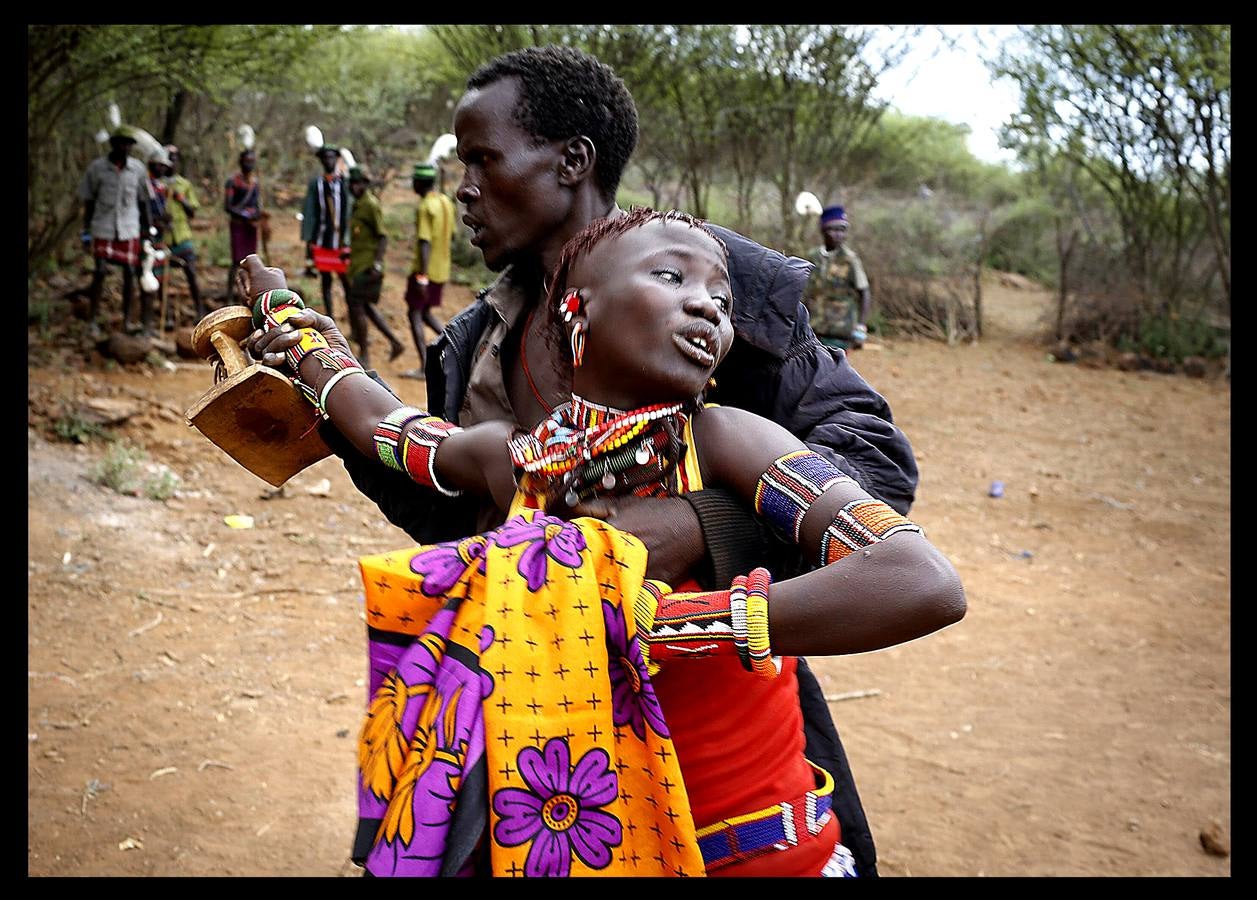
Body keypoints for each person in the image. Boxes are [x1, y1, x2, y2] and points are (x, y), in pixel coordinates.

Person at [244, 45, 919, 877]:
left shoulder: (701, 293)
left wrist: (696, 529)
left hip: (726, 773)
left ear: (570, 162)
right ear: (579, 313)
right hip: (549, 761)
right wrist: (308, 351)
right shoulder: (477, 343)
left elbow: (871, 454)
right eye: (463, 165)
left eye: (484, 160)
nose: (464, 187)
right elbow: (441, 491)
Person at [78, 127, 151, 336]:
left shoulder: (137, 170)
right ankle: (92, 320)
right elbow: (89, 202)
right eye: (121, 143)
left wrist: (149, 230)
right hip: (103, 226)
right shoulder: (97, 169)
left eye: (128, 144)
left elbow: (144, 201)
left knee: (129, 273)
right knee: (100, 271)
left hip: (129, 228)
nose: (125, 148)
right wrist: (86, 232)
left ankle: (127, 321)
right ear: (113, 144)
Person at [344, 165, 405, 369]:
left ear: (364, 184)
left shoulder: (370, 204)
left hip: (368, 266)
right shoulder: (357, 204)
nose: (355, 187)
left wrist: (377, 263)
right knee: (366, 307)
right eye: (352, 184)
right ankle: (395, 342)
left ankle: (365, 354)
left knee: (357, 304)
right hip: (357, 264)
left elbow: (382, 236)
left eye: (358, 183)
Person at [399, 162, 455, 379]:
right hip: (442, 269)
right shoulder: (446, 202)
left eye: (414, 180)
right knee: (425, 312)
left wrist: (421, 277)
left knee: (414, 313)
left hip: (425, 271)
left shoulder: (425, 206)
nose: (412, 184)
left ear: (420, 183)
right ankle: (454, 345)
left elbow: (424, 243)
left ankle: (424, 367)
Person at [803, 205, 872, 350]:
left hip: (839, 333)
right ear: (823, 230)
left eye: (842, 230)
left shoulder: (849, 260)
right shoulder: (813, 257)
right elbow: (804, 291)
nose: (838, 235)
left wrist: (860, 328)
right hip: (812, 330)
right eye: (833, 229)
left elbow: (864, 292)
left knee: (831, 370)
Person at [300, 143, 352, 321]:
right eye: (325, 157)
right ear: (322, 161)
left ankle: (353, 319)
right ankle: (330, 319)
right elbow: (309, 212)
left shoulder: (345, 182)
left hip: (342, 242)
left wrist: (350, 238)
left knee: (346, 281)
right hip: (322, 240)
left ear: (336, 160)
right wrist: (308, 241)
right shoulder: (317, 184)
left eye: (332, 157)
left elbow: (351, 209)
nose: (329, 160)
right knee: (326, 280)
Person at [161, 143, 206, 322]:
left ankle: (200, 311)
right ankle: (168, 316)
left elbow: (192, 212)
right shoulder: (157, 184)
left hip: (183, 235)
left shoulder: (184, 184)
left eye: (174, 158)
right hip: (164, 237)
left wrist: (181, 199)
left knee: (191, 273)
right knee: (163, 278)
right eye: (168, 158)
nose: (172, 161)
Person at [224, 148, 262, 303]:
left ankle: (249, 295)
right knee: (236, 262)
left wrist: (254, 215)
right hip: (239, 226)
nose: (249, 164)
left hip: (251, 228)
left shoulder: (255, 183)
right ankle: (229, 298)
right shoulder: (233, 182)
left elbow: (258, 206)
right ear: (241, 162)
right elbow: (228, 206)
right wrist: (244, 215)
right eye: (247, 161)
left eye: (252, 161)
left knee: (251, 262)